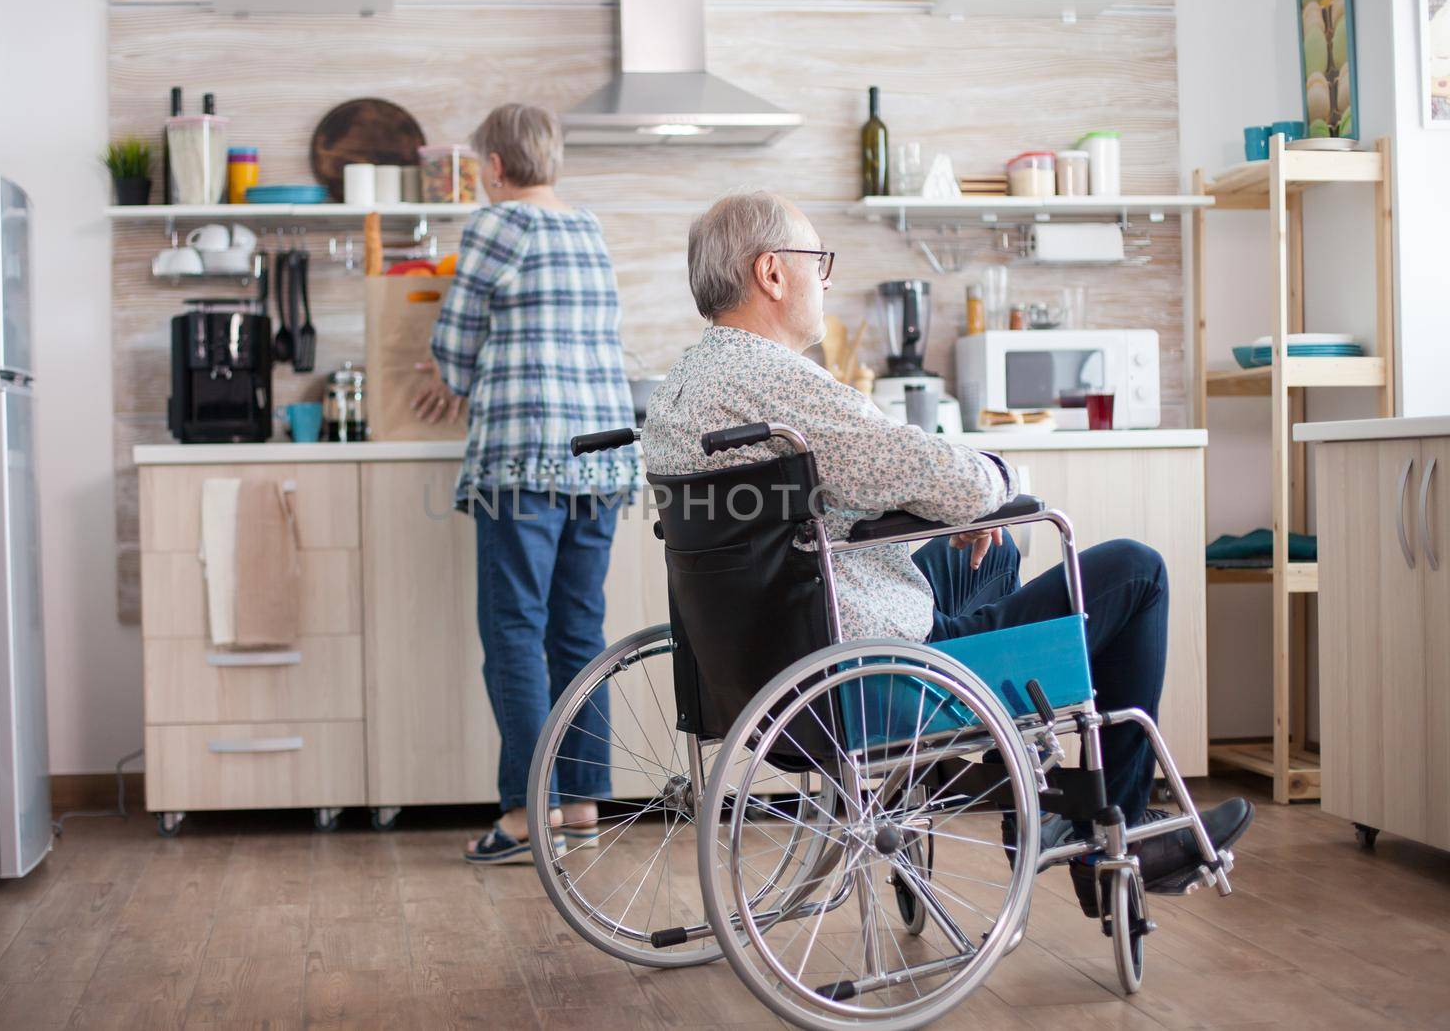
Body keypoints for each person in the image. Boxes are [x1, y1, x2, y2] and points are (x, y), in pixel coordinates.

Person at [640, 190, 1252, 910]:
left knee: (988, 555)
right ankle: (1108, 827)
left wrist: (960, 511)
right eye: (818, 261)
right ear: (772, 273)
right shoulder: (776, 378)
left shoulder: (683, 383)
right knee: (1135, 571)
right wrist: (995, 480)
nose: (826, 280)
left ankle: (1013, 793)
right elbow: (922, 464)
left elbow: (858, 478)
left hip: (764, 666)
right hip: (866, 672)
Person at [414, 104, 638, 864]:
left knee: (514, 628)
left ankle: (522, 813)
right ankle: (579, 804)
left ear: (496, 167)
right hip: (601, 456)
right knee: (578, 630)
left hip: (524, 457)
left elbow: (452, 346)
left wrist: (451, 374)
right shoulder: (589, 229)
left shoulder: (494, 226)